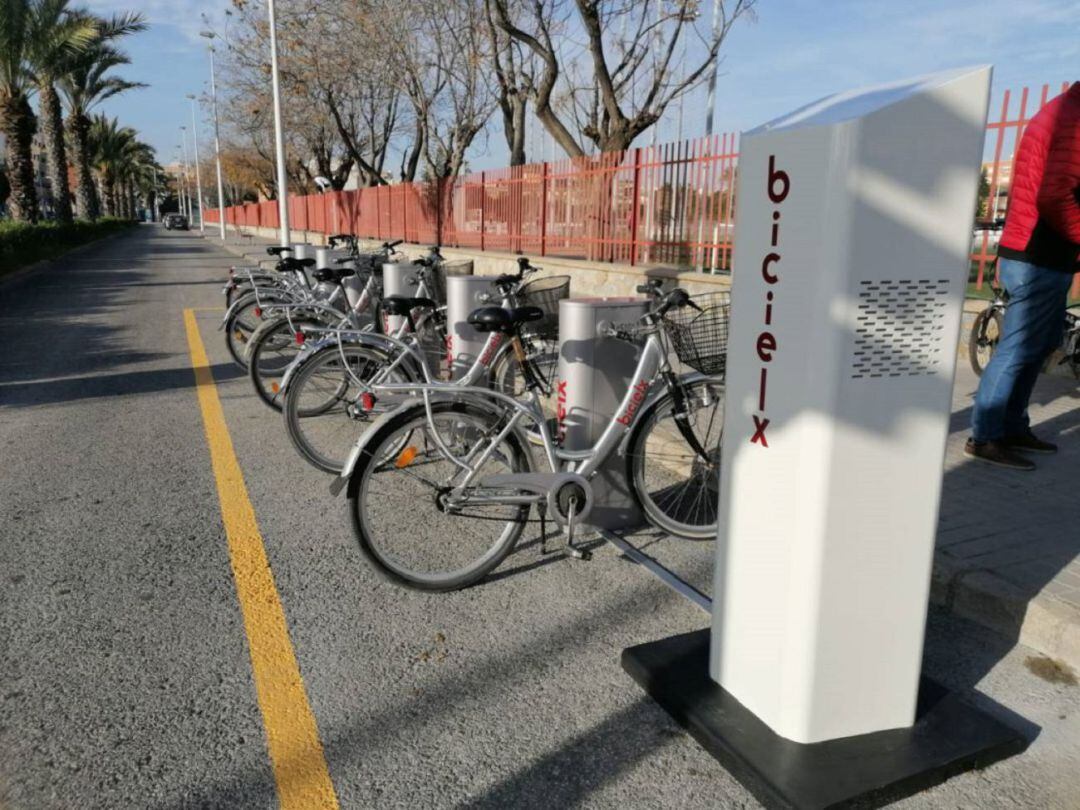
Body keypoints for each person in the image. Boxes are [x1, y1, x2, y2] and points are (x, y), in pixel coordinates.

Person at [968, 82, 1080, 471]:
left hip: (1047, 253)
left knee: (1036, 347)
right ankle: (984, 436)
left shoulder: (1064, 111)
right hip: (1038, 254)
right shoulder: (1072, 116)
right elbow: (1054, 194)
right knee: (1018, 349)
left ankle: (1012, 426)